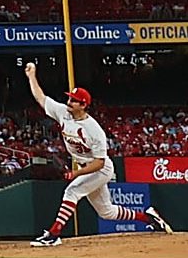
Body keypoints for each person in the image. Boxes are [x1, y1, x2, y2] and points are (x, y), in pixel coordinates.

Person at [23, 61, 170, 246]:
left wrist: (75, 173)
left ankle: (54, 234)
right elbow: (41, 98)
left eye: (73, 100)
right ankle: (147, 218)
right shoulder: (63, 112)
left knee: (72, 190)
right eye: (69, 98)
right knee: (106, 212)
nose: (69, 101)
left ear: (83, 105)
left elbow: (100, 162)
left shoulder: (94, 130)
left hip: (100, 168)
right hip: (87, 167)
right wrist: (31, 77)